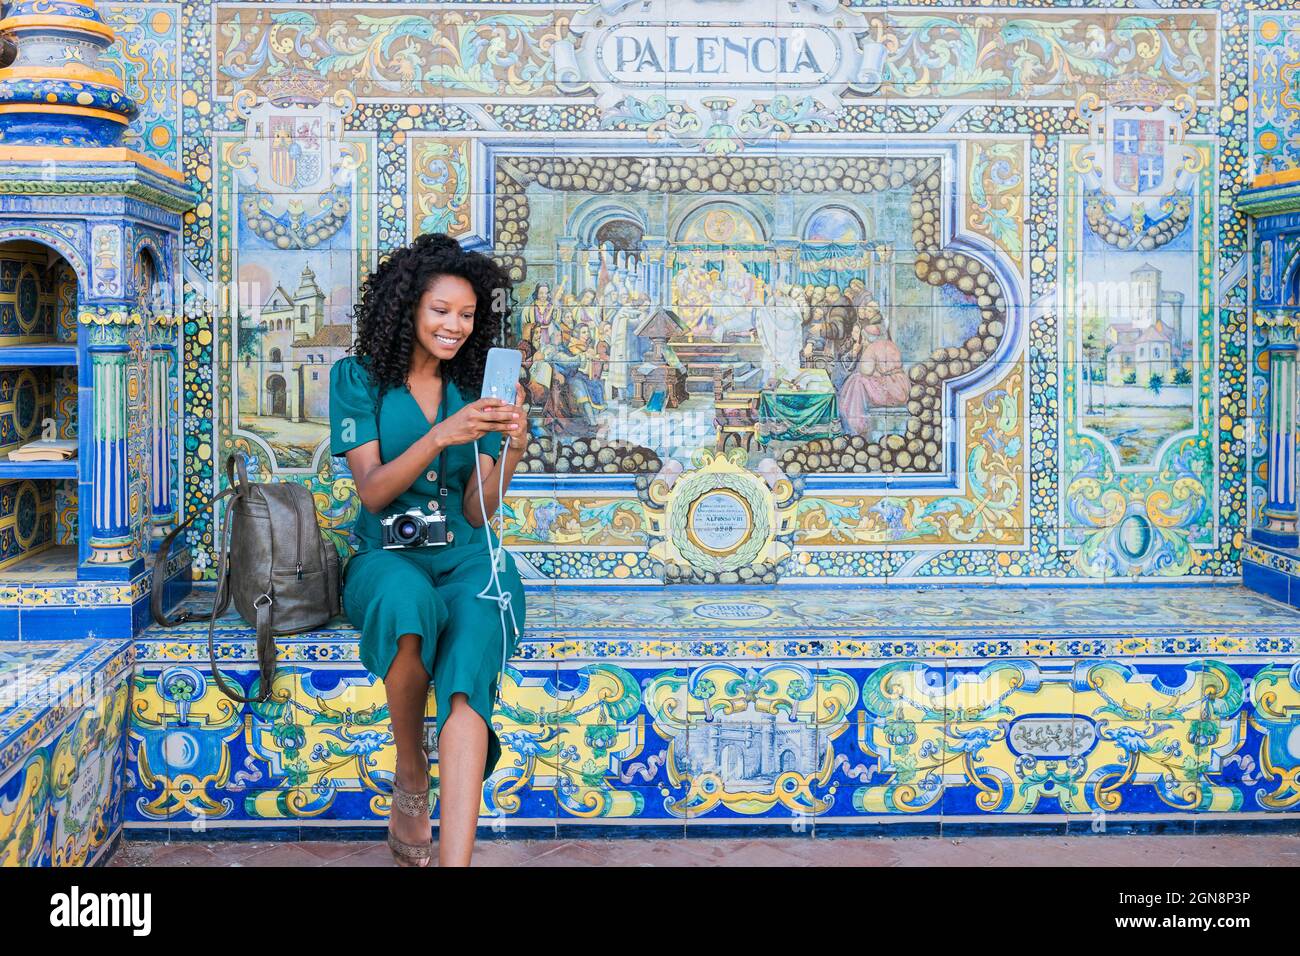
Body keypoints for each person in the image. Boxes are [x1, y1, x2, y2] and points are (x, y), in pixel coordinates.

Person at [329, 233, 528, 867]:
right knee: (407, 606)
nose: (455, 326)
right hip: (387, 553)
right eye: (442, 310)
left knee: (470, 655)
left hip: (470, 553)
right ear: (409, 307)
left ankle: (456, 863)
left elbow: (478, 509)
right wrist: (441, 435)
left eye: (468, 315)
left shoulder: (475, 389)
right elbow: (373, 489)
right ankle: (412, 773)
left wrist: (515, 447)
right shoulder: (357, 379)